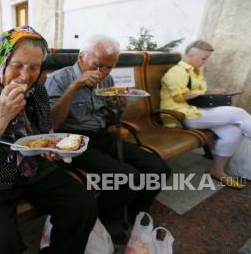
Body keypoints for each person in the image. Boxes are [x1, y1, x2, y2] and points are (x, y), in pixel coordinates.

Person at [0, 26, 96, 254]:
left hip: (34, 170)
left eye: (34, 67)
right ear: (1, 60)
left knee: (83, 207)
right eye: (17, 65)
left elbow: (46, 133)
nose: (25, 76)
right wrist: (1, 116)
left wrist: (50, 149)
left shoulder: (37, 91)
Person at [45, 34, 170, 242]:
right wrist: (73, 87)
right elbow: (51, 124)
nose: (103, 73)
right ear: (82, 57)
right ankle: (105, 216)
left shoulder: (108, 80)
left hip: (103, 136)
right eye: (98, 65)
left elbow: (111, 118)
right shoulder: (59, 79)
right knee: (127, 177)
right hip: (74, 143)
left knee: (158, 169)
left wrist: (118, 108)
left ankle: (132, 214)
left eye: (109, 68)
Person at [160, 40, 251, 188]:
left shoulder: (193, 71)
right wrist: (206, 92)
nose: (205, 62)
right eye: (203, 58)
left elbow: (195, 94)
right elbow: (182, 96)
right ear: (190, 55)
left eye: (206, 58)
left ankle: (217, 170)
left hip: (195, 111)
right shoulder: (176, 72)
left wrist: (211, 92)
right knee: (239, 113)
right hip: (181, 115)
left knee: (233, 131)